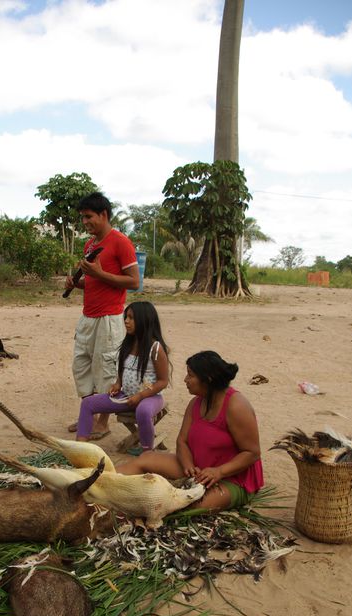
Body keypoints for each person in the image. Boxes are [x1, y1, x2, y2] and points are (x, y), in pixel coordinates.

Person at [117, 350, 264, 511]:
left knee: (187, 505)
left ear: (208, 380)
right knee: (145, 459)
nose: (186, 380)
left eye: (190, 375)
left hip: (232, 478)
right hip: (197, 468)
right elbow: (182, 441)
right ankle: (102, 481)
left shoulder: (236, 406)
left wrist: (219, 472)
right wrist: (188, 465)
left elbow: (252, 452)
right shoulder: (195, 403)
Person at [65, 193, 140, 438]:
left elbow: (134, 282)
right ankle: (90, 415)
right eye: (82, 218)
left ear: (103, 215)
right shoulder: (91, 245)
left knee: (106, 368)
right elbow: (94, 282)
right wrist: (78, 284)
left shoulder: (121, 242)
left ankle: (103, 423)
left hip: (109, 319)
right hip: (88, 316)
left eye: (88, 217)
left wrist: (98, 274)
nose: (85, 222)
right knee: (82, 365)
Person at [76, 302, 170, 454]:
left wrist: (140, 396)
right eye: (126, 317)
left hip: (150, 397)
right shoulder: (127, 344)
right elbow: (122, 370)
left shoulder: (155, 348)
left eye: (131, 318)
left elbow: (163, 381)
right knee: (88, 403)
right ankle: (80, 449)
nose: (126, 321)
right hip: (125, 396)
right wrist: (117, 384)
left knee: (144, 412)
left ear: (144, 320)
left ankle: (147, 453)